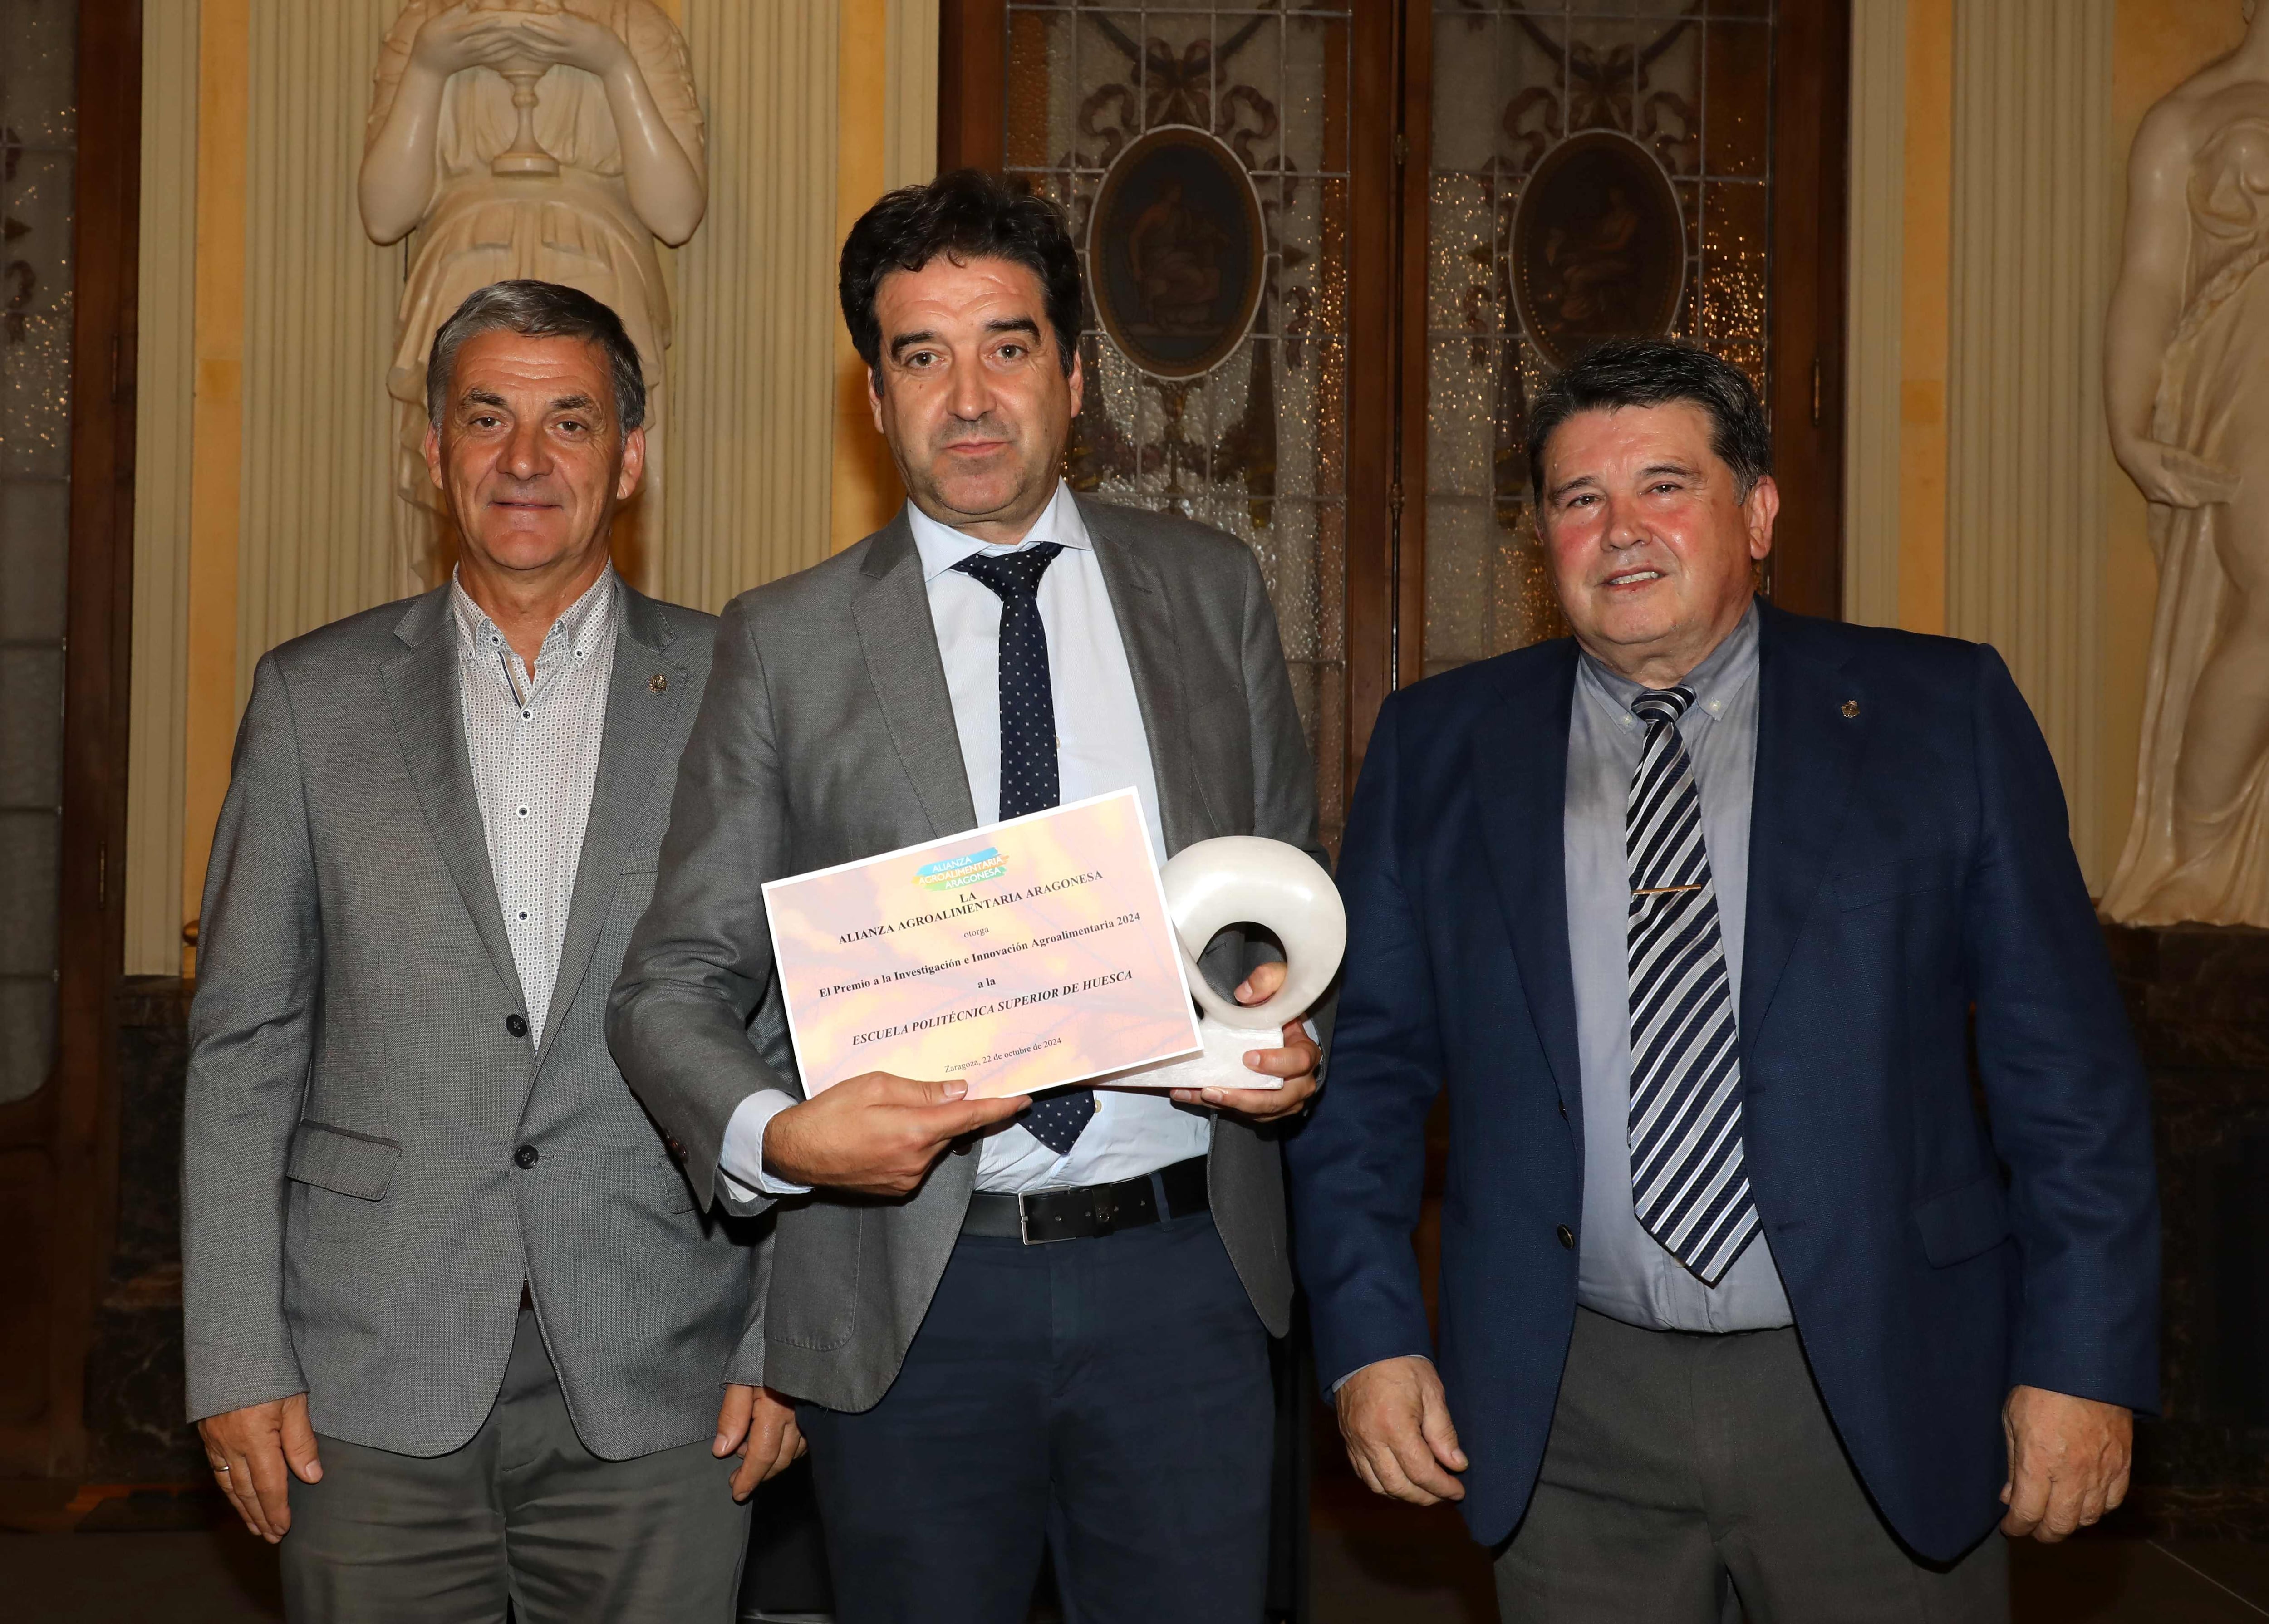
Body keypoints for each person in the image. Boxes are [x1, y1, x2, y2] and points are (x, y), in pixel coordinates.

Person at [1287, 339, 2161, 1621]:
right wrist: (1369, 1336)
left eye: (1665, 486)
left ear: (1757, 512)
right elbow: (1363, 1081)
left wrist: (2083, 1360)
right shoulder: (1443, 748)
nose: (1620, 530)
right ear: (1545, 537)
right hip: (1564, 1406)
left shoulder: (1942, 713)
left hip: (1879, 1386)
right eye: (1580, 498)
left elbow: (2067, 1078)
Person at [608, 169, 1324, 1624]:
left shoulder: (1213, 590)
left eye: (1006, 344)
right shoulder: (789, 642)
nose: (971, 394)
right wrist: (784, 1134)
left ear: (1074, 373)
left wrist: (1292, 1035)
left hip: (1185, 1280)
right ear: (875, 398)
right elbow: (670, 982)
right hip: (919, 1296)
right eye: (921, 356)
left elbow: (1279, 914)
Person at [183, 280, 795, 1621]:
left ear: (631, 457)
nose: (526, 460)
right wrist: (233, 1356)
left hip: (666, 1374)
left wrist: (781, 1337)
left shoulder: (743, 688)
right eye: (488, 419)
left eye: (569, 422)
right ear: (434, 452)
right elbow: (244, 1048)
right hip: (366, 1377)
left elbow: (800, 1033)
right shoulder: (311, 700)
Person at [2102, 0, 2269, 924]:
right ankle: (2196, 855)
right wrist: (2129, 428)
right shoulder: (2190, 120)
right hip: (2252, 351)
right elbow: (2152, 278)